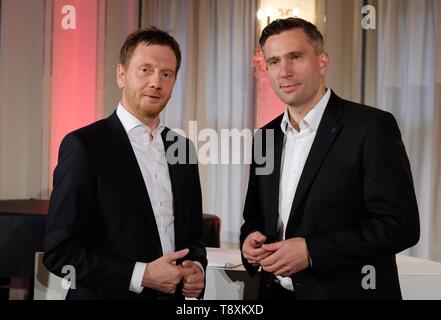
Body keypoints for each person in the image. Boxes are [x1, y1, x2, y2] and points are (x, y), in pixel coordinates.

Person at [240, 17, 419, 300]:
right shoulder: (265, 137)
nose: (284, 71)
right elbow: (254, 219)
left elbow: (400, 226)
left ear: (322, 62)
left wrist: (312, 251)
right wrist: (249, 242)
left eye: (295, 57)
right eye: (273, 62)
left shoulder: (371, 127)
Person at [43, 27, 207, 300]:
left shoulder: (183, 149)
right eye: (145, 70)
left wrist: (197, 268)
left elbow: (193, 236)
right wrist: (142, 275)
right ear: (121, 75)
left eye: (166, 74)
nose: (156, 82)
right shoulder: (84, 146)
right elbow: (60, 252)